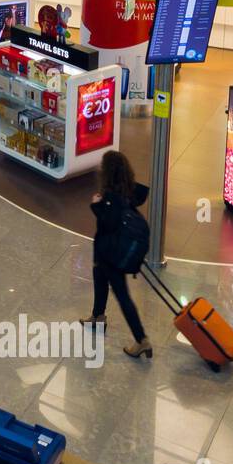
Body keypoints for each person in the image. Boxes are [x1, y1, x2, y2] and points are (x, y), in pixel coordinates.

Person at [83, 151, 152, 360]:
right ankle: (97, 316)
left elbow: (108, 224)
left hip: (110, 254)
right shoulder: (129, 191)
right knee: (98, 277)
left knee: (122, 296)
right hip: (111, 253)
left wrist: (96, 205)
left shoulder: (111, 199)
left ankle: (141, 340)